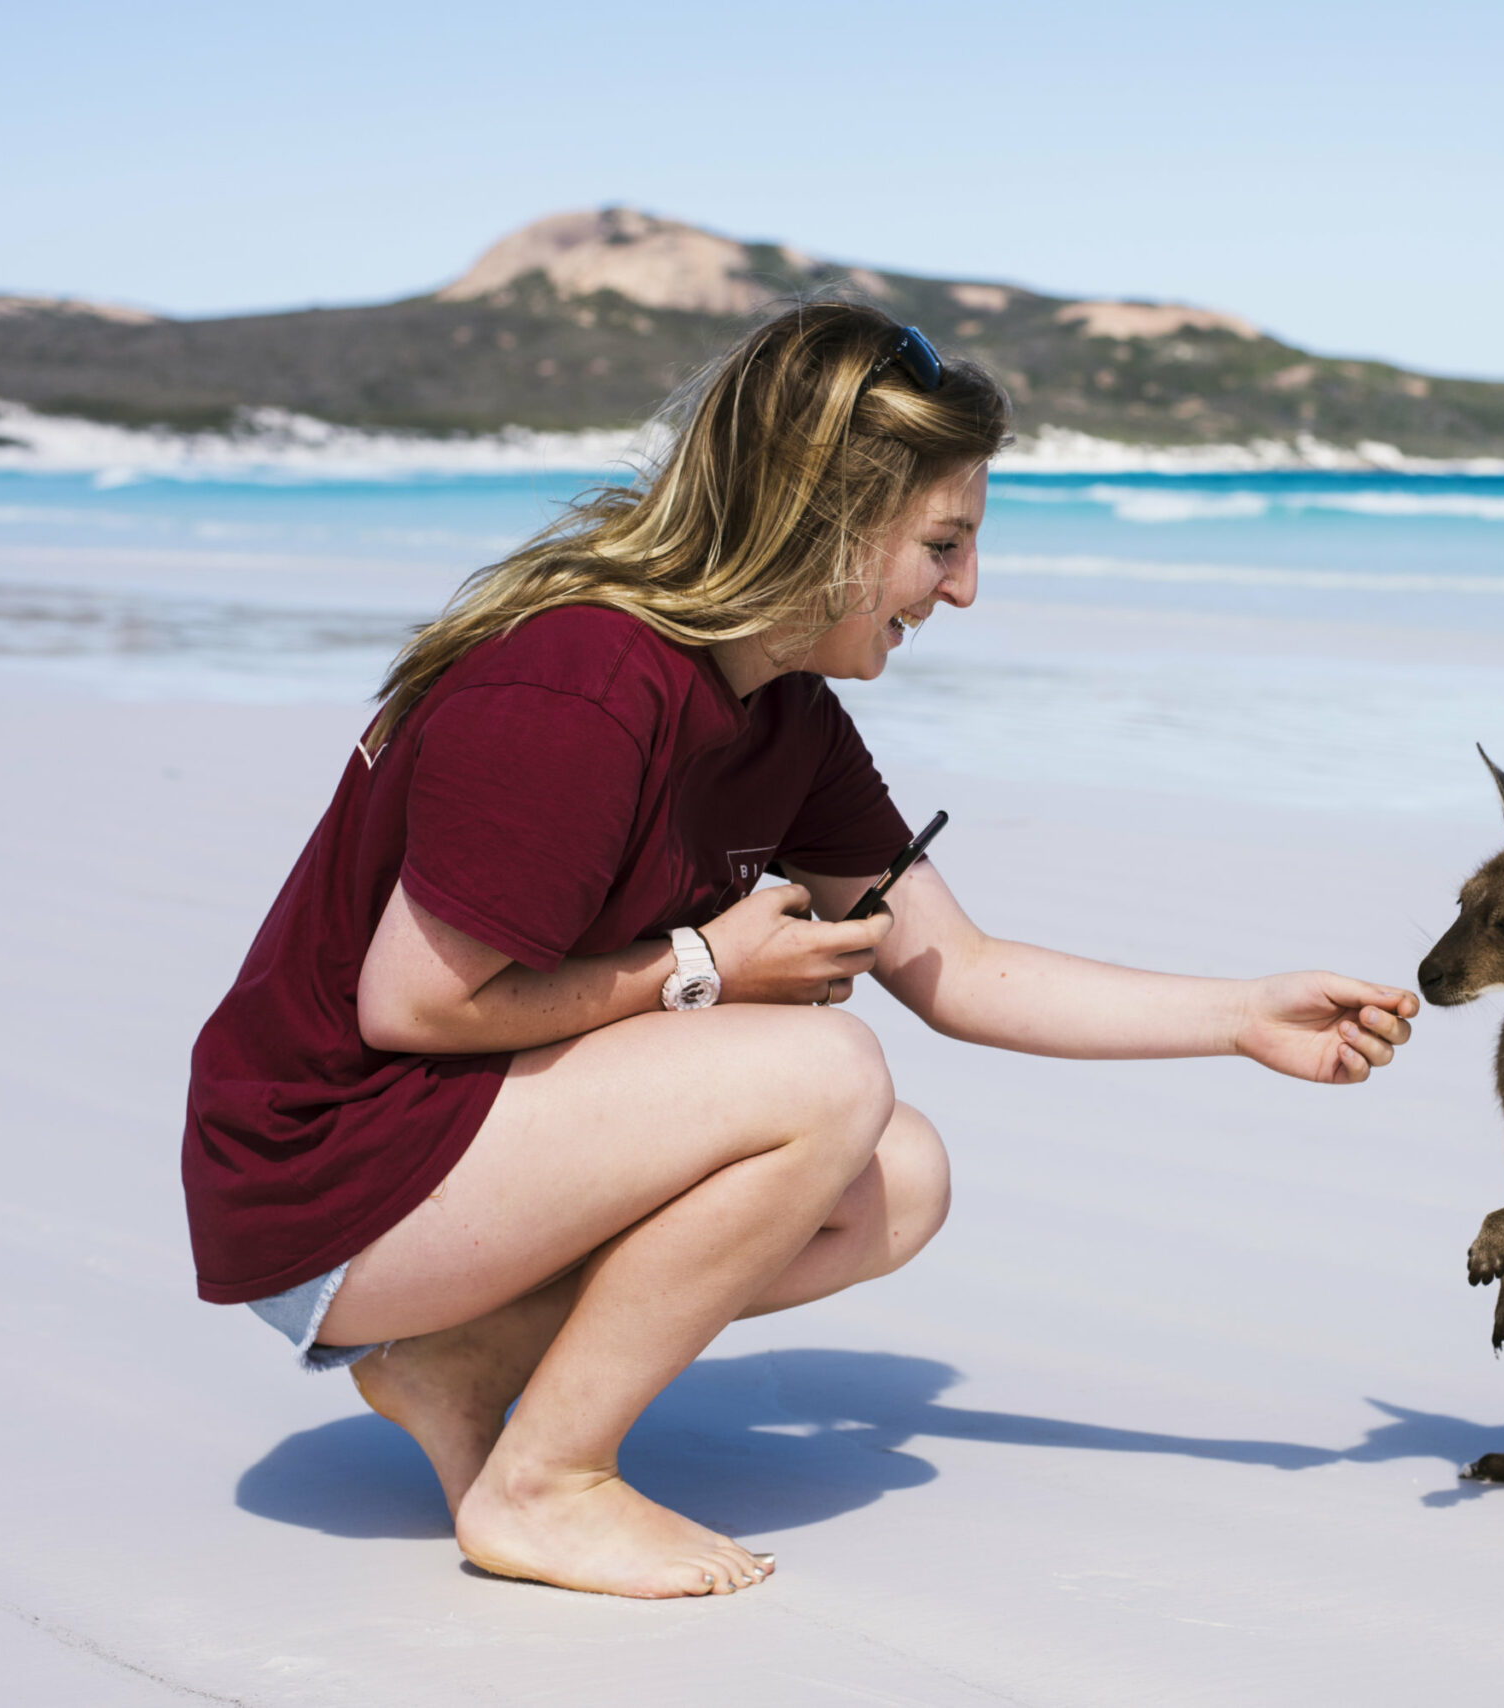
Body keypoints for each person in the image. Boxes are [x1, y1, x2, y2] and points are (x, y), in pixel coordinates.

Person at [180, 304, 1419, 1601]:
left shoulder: (786, 716)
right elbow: (411, 1009)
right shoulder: (580, 681)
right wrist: (705, 970)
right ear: (824, 522)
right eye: (942, 545)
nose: (964, 590)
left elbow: (963, 967)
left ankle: (463, 1366)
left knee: (897, 1175)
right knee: (823, 1073)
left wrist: (1241, 1016)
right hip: (323, 1173)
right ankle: (546, 1486)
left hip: (449, 1157)